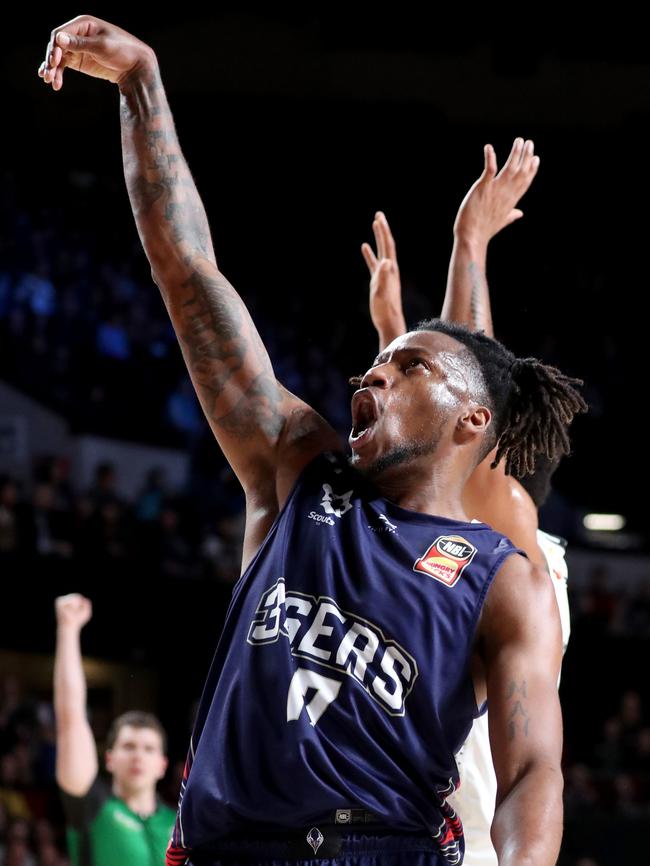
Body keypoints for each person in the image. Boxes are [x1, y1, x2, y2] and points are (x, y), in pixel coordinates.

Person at [40, 19, 586, 866]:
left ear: (473, 426)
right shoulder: (299, 466)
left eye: (403, 367)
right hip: (227, 847)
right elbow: (190, 274)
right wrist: (143, 82)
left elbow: (535, 772)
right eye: (376, 363)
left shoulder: (501, 573)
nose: (368, 377)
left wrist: (467, 246)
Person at [361, 141, 572, 865]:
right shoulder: (491, 523)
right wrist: (393, 340)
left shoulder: (504, 512)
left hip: (474, 823)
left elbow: (465, 366)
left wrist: (469, 241)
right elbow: (440, 411)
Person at [54, 593, 175, 866]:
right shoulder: (93, 808)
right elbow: (70, 720)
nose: (138, 756)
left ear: (162, 764)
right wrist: (68, 628)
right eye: (128, 747)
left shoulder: (180, 824)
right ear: (109, 758)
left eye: (148, 749)